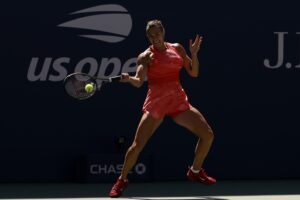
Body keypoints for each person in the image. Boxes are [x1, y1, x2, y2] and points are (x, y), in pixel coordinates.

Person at [109, 20, 216, 198]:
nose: (154, 38)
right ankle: (122, 180)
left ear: (163, 32)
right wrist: (129, 79)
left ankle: (195, 171)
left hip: (178, 101)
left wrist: (194, 54)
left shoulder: (177, 48)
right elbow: (139, 82)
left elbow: (194, 73)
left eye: (157, 34)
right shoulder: (145, 56)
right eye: (151, 36)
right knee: (136, 146)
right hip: (156, 103)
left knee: (208, 135)